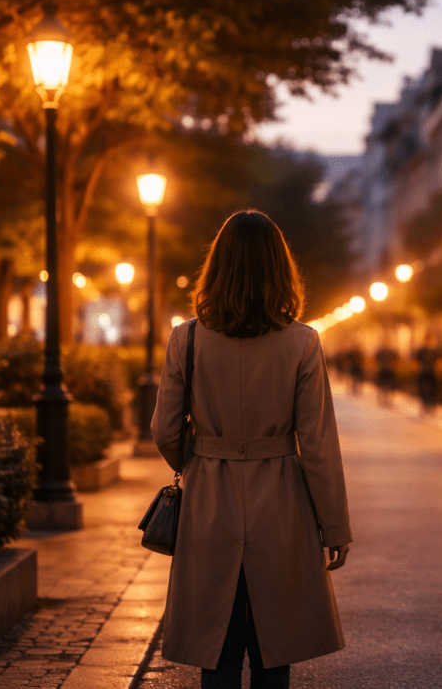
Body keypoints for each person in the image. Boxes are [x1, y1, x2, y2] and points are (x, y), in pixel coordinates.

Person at [151, 210, 352, 689]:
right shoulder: (303, 342)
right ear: (279, 269)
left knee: (216, 646)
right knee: (273, 647)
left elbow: (163, 429)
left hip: (208, 500)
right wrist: (335, 525)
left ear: (216, 268)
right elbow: (318, 444)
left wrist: (198, 461)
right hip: (280, 500)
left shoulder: (187, 339)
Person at [415, 334, 440, 414]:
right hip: (424, 372)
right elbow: (416, 361)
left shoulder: (435, 350)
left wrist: (439, 370)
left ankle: (431, 405)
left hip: (431, 372)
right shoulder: (422, 350)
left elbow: (439, 361)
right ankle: (425, 404)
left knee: (433, 389)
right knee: (423, 389)